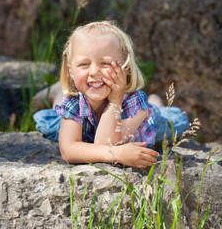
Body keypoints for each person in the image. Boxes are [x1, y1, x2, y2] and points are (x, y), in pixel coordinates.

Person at [33, 21, 189, 169]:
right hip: (89, 128)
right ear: (70, 71)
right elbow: (68, 150)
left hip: (150, 123)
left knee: (175, 122)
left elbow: (105, 143)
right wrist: (118, 154)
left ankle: (155, 102)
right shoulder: (74, 103)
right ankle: (58, 91)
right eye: (84, 64)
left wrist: (115, 102)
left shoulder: (135, 103)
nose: (94, 72)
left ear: (126, 68)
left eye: (105, 63)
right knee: (51, 124)